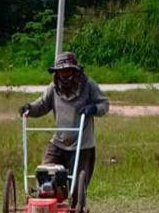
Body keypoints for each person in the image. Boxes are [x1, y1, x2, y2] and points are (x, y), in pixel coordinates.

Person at [20, 51, 109, 191]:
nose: (64, 74)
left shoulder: (88, 85)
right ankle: (45, 203)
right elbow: (42, 105)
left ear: (74, 70)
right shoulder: (53, 88)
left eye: (67, 70)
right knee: (44, 174)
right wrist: (29, 108)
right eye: (61, 71)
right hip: (59, 141)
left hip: (82, 143)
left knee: (77, 187)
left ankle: (75, 210)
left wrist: (94, 108)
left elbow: (104, 105)